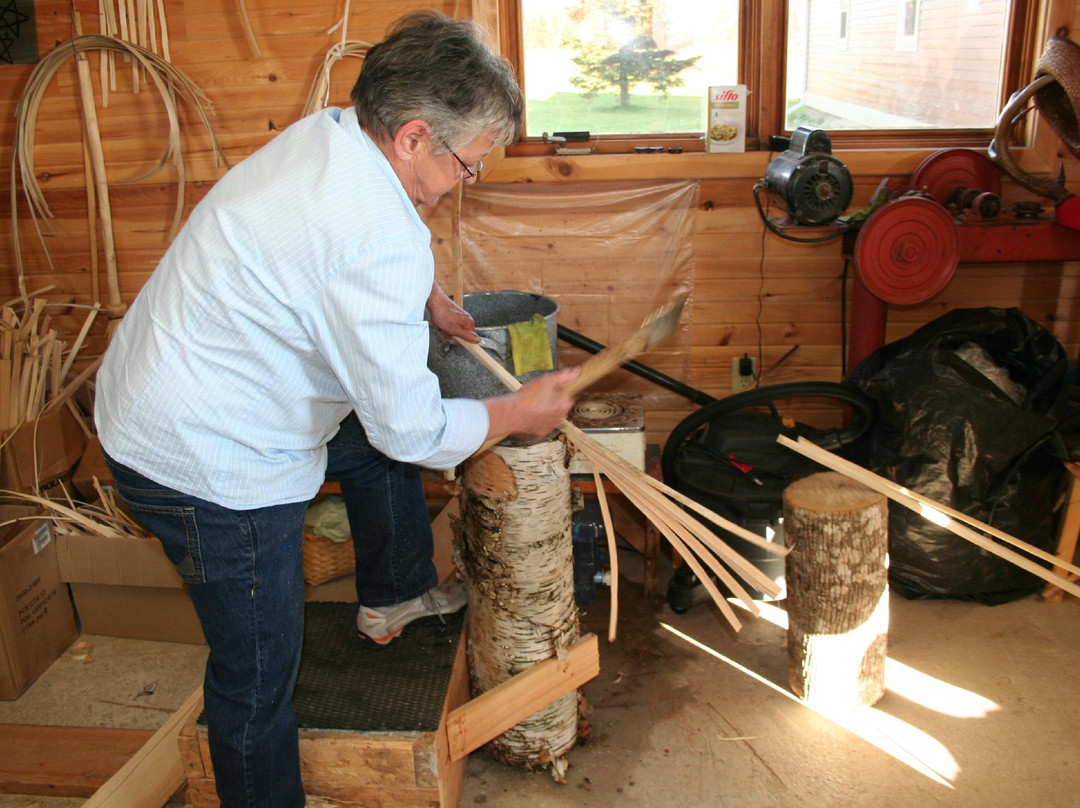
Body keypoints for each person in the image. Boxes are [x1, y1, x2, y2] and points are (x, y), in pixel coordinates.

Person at [94, 10, 578, 807]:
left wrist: (426, 298)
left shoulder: (333, 131)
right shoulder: (372, 238)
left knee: (364, 438)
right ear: (415, 136)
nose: (470, 178)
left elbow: (341, 248)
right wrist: (516, 413)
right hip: (203, 465)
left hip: (164, 389)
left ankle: (392, 596)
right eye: (470, 162)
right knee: (256, 678)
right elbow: (417, 430)